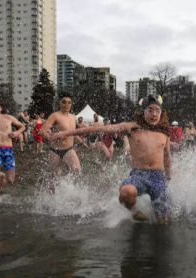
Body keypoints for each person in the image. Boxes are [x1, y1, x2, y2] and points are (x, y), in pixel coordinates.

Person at [52, 95, 172, 223]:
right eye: (150, 110)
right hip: (139, 175)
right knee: (126, 193)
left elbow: (167, 157)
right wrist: (65, 133)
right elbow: (99, 128)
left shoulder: (164, 133)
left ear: (161, 113)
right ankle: (135, 212)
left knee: (164, 221)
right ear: (143, 112)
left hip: (158, 177)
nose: (154, 114)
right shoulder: (131, 127)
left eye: (157, 111)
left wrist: (169, 177)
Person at [40, 93, 82, 181]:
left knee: (77, 171)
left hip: (69, 149)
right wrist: (51, 137)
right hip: (55, 151)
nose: (67, 105)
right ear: (59, 103)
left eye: (69, 102)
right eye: (64, 102)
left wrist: (81, 141)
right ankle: (53, 193)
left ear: (71, 104)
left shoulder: (73, 117)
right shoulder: (55, 116)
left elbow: (73, 133)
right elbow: (43, 130)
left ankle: (69, 190)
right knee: (53, 178)